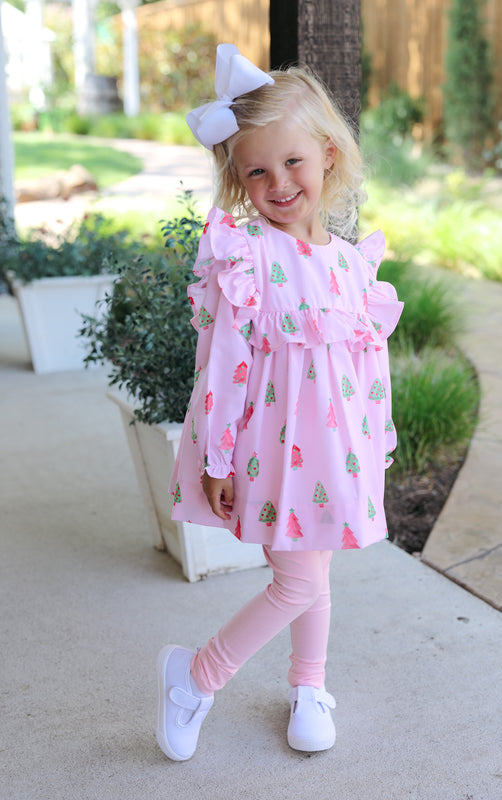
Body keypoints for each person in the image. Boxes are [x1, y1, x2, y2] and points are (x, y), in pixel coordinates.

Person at [157, 43, 403, 761]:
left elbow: (368, 370)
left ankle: (308, 685)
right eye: (255, 170)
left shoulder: (353, 264)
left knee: (312, 570)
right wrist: (217, 455)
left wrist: (376, 442)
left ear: (327, 154)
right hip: (273, 451)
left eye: (291, 161)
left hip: (336, 453)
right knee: (295, 580)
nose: (277, 182)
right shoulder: (247, 257)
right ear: (237, 179)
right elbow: (224, 367)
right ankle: (194, 677)